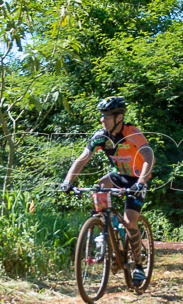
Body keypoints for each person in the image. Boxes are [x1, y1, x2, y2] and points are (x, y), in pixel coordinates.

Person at [60, 97, 155, 285]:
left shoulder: (132, 133)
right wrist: (68, 181)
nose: (102, 120)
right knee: (98, 188)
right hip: (118, 175)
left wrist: (142, 182)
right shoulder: (101, 137)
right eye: (101, 116)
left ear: (119, 117)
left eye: (107, 116)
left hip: (137, 178)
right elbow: (82, 159)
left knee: (129, 221)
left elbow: (149, 156)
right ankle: (105, 229)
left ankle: (138, 265)